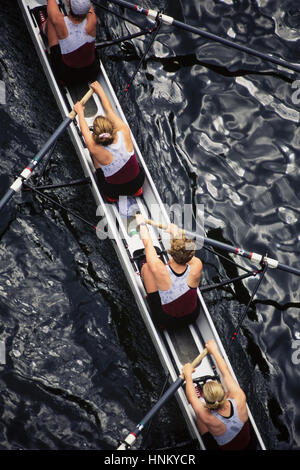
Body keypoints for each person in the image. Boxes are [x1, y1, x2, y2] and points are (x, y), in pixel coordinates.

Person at [74, 81, 145, 202]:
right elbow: (109, 110)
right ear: (111, 128)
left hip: (115, 191)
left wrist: (80, 112)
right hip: (138, 182)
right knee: (135, 166)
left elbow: (84, 130)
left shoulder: (94, 148)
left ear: (96, 136)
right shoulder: (123, 130)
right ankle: (137, 191)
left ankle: (112, 199)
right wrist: (100, 90)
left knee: (95, 157)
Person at [182, 339, 255, 450]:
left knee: (198, 413)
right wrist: (214, 350)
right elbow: (226, 372)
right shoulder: (239, 397)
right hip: (247, 444)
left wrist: (187, 375)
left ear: (207, 400)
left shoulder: (207, 417)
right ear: (222, 392)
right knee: (228, 392)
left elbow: (192, 399)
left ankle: (200, 396)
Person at [135, 213, 203, 328]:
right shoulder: (197, 264)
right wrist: (175, 233)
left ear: (171, 251)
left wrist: (141, 223)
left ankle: (151, 296)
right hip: (192, 315)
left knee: (147, 268)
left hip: (166, 321)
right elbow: (185, 251)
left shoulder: (160, 270)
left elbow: (147, 244)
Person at [38, 0, 99, 86]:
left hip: (67, 76)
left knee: (51, 22)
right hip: (92, 71)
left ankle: (43, 27)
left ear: (69, 5)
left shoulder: (60, 22)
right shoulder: (93, 20)